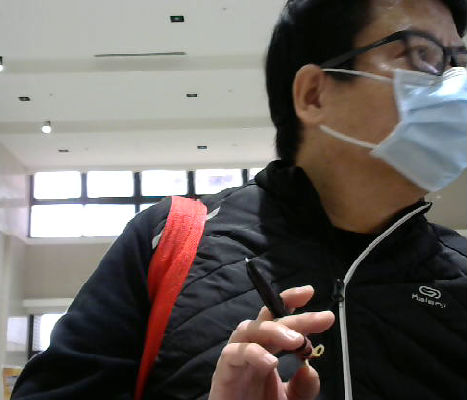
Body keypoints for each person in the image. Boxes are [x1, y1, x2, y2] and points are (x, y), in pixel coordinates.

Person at [12, 0, 467, 399]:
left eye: (457, 63)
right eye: (421, 54)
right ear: (314, 94)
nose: (455, 86)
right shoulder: (170, 238)